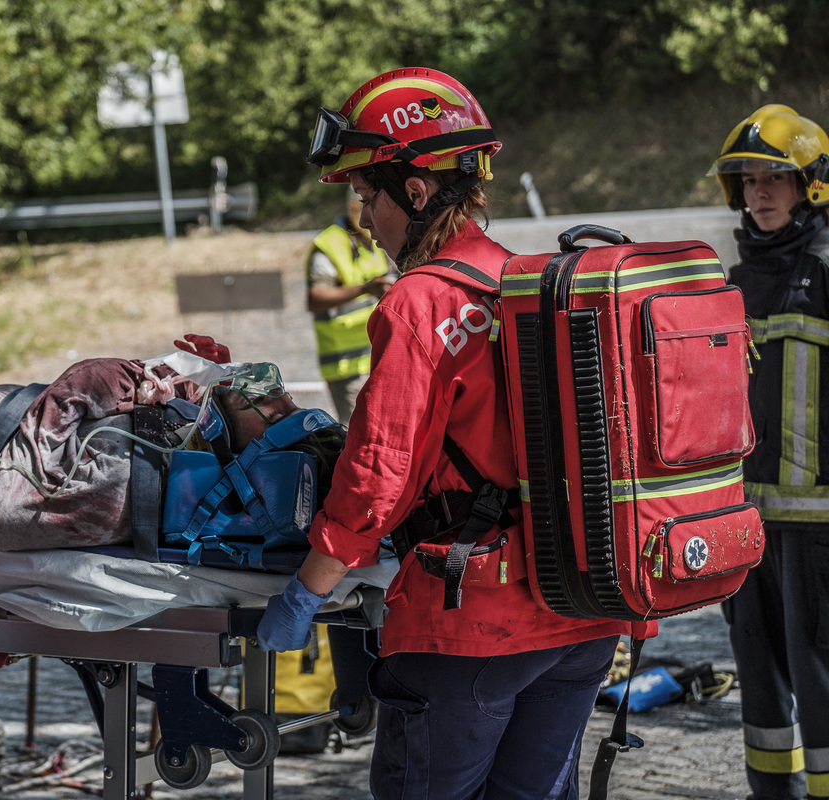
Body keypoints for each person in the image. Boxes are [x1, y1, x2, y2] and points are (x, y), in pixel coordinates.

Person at [256, 67, 632, 798]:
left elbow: (376, 478)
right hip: (582, 621)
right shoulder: (529, 282)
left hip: (473, 630)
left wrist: (306, 594)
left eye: (369, 196)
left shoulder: (420, 304)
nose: (366, 220)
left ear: (417, 190)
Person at [709, 104, 829, 800]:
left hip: (819, 528)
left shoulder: (826, 268)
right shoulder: (733, 282)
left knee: (820, 684)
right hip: (744, 527)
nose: (758, 192)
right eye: (748, 180)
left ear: (812, 183)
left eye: (774, 178)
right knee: (758, 679)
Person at [306, 187, 393, 423]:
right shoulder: (330, 245)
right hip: (345, 366)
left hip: (377, 357)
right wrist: (365, 289)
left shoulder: (374, 241)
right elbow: (315, 298)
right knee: (359, 437)